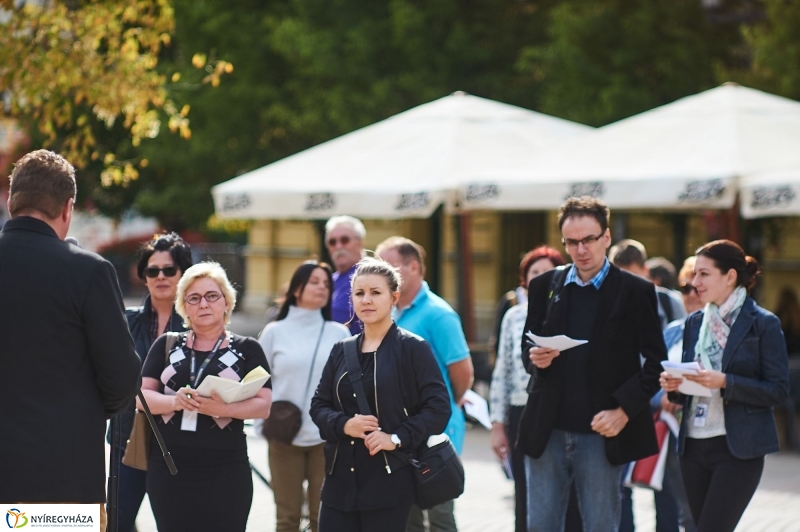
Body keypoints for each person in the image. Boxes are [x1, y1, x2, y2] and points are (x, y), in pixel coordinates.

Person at [0, 150, 140, 528]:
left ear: (12, 201)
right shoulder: (87, 271)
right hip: (63, 477)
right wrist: (78, 413)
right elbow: (123, 380)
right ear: (67, 208)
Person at [518, 196, 666, 531]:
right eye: (572, 242)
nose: (581, 249)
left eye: (589, 239)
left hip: (602, 433)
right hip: (547, 429)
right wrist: (535, 358)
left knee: (601, 525)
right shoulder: (544, 285)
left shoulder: (636, 290)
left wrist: (624, 411)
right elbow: (527, 348)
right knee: (540, 526)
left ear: (606, 237)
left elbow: (656, 362)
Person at [310, 257, 451, 532]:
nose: (366, 300)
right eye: (359, 293)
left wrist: (396, 438)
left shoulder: (413, 348)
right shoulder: (341, 350)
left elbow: (438, 409)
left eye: (376, 292)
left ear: (394, 297)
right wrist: (344, 425)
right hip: (339, 483)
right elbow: (319, 405)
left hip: (389, 483)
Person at [660, 240, 790, 532]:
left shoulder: (763, 323)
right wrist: (675, 385)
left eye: (704, 274)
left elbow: (778, 390)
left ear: (730, 276)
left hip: (738, 448)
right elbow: (690, 386)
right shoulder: (694, 322)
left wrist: (726, 382)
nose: (695, 282)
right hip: (693, 446)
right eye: (695, 274)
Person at [140, 262, 273, 531]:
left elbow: (264, 405)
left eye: (212, 296)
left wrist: (222, 409)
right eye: (194, 298)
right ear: (184, 306)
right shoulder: (167, 344)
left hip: (226, 467)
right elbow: (141, 397)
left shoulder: (248, 349)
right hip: (169, 466)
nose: (203, 304)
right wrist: (175, 401)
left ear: (226, 302)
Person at [377, 236, 474, 532]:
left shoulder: (439, 314)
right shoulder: (390, 312)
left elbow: (462, 372)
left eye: (389, 266)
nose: (383, 273)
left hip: (435, 432)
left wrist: (445, 406)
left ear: (414, 267)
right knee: (408, 518)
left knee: (439, 516)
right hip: (401, 434)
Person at [259, 261, 350, 532]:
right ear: (297, 288)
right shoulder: (274, 332)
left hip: (327, 438)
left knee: (323, 519)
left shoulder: (339, 333)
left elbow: (346, 388)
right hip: (283, 435)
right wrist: (262, 421)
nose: (322, 287)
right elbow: (258, 382)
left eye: (326, 284)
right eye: (314, 282)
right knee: (287, 519)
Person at [113, 232, 193, 532]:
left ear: (183, 274)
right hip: (126, 438)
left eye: (169, 270)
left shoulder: (199, 325)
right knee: (118, 522)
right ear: (143, 276)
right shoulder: (123, 321)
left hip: (179, 442)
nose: (160, 276)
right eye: (152, 270)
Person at [489, 246, 569, 532]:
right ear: (525, 279)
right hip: (521, 412)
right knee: (525, 492)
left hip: (562, 412)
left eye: (548, 272)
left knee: (564, 493)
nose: (541, 278)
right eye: (535, 273)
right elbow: (503, 371)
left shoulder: (570, 312)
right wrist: (498, 424)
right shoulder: (513, 316)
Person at [609, 239, 687, 532]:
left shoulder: (667, 301)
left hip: (662, 405)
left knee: (665, 482)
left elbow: (683, 347)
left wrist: (671, 392)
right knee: (620, 482)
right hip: (623, 402)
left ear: (645, 271)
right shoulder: (609, 301)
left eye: (632, 275)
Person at [610, 239, 686, 329]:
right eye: (620, 278)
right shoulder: (601, 304)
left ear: (645, 270)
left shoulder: (670, 303)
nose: (627, 284)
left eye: (633, 278)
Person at [326, 215, 367, 334]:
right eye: (332, 242)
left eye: (345, 240)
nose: (338, 246)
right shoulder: (330, 280)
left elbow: (337, 316)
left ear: (359, 243)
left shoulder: (369, 275)